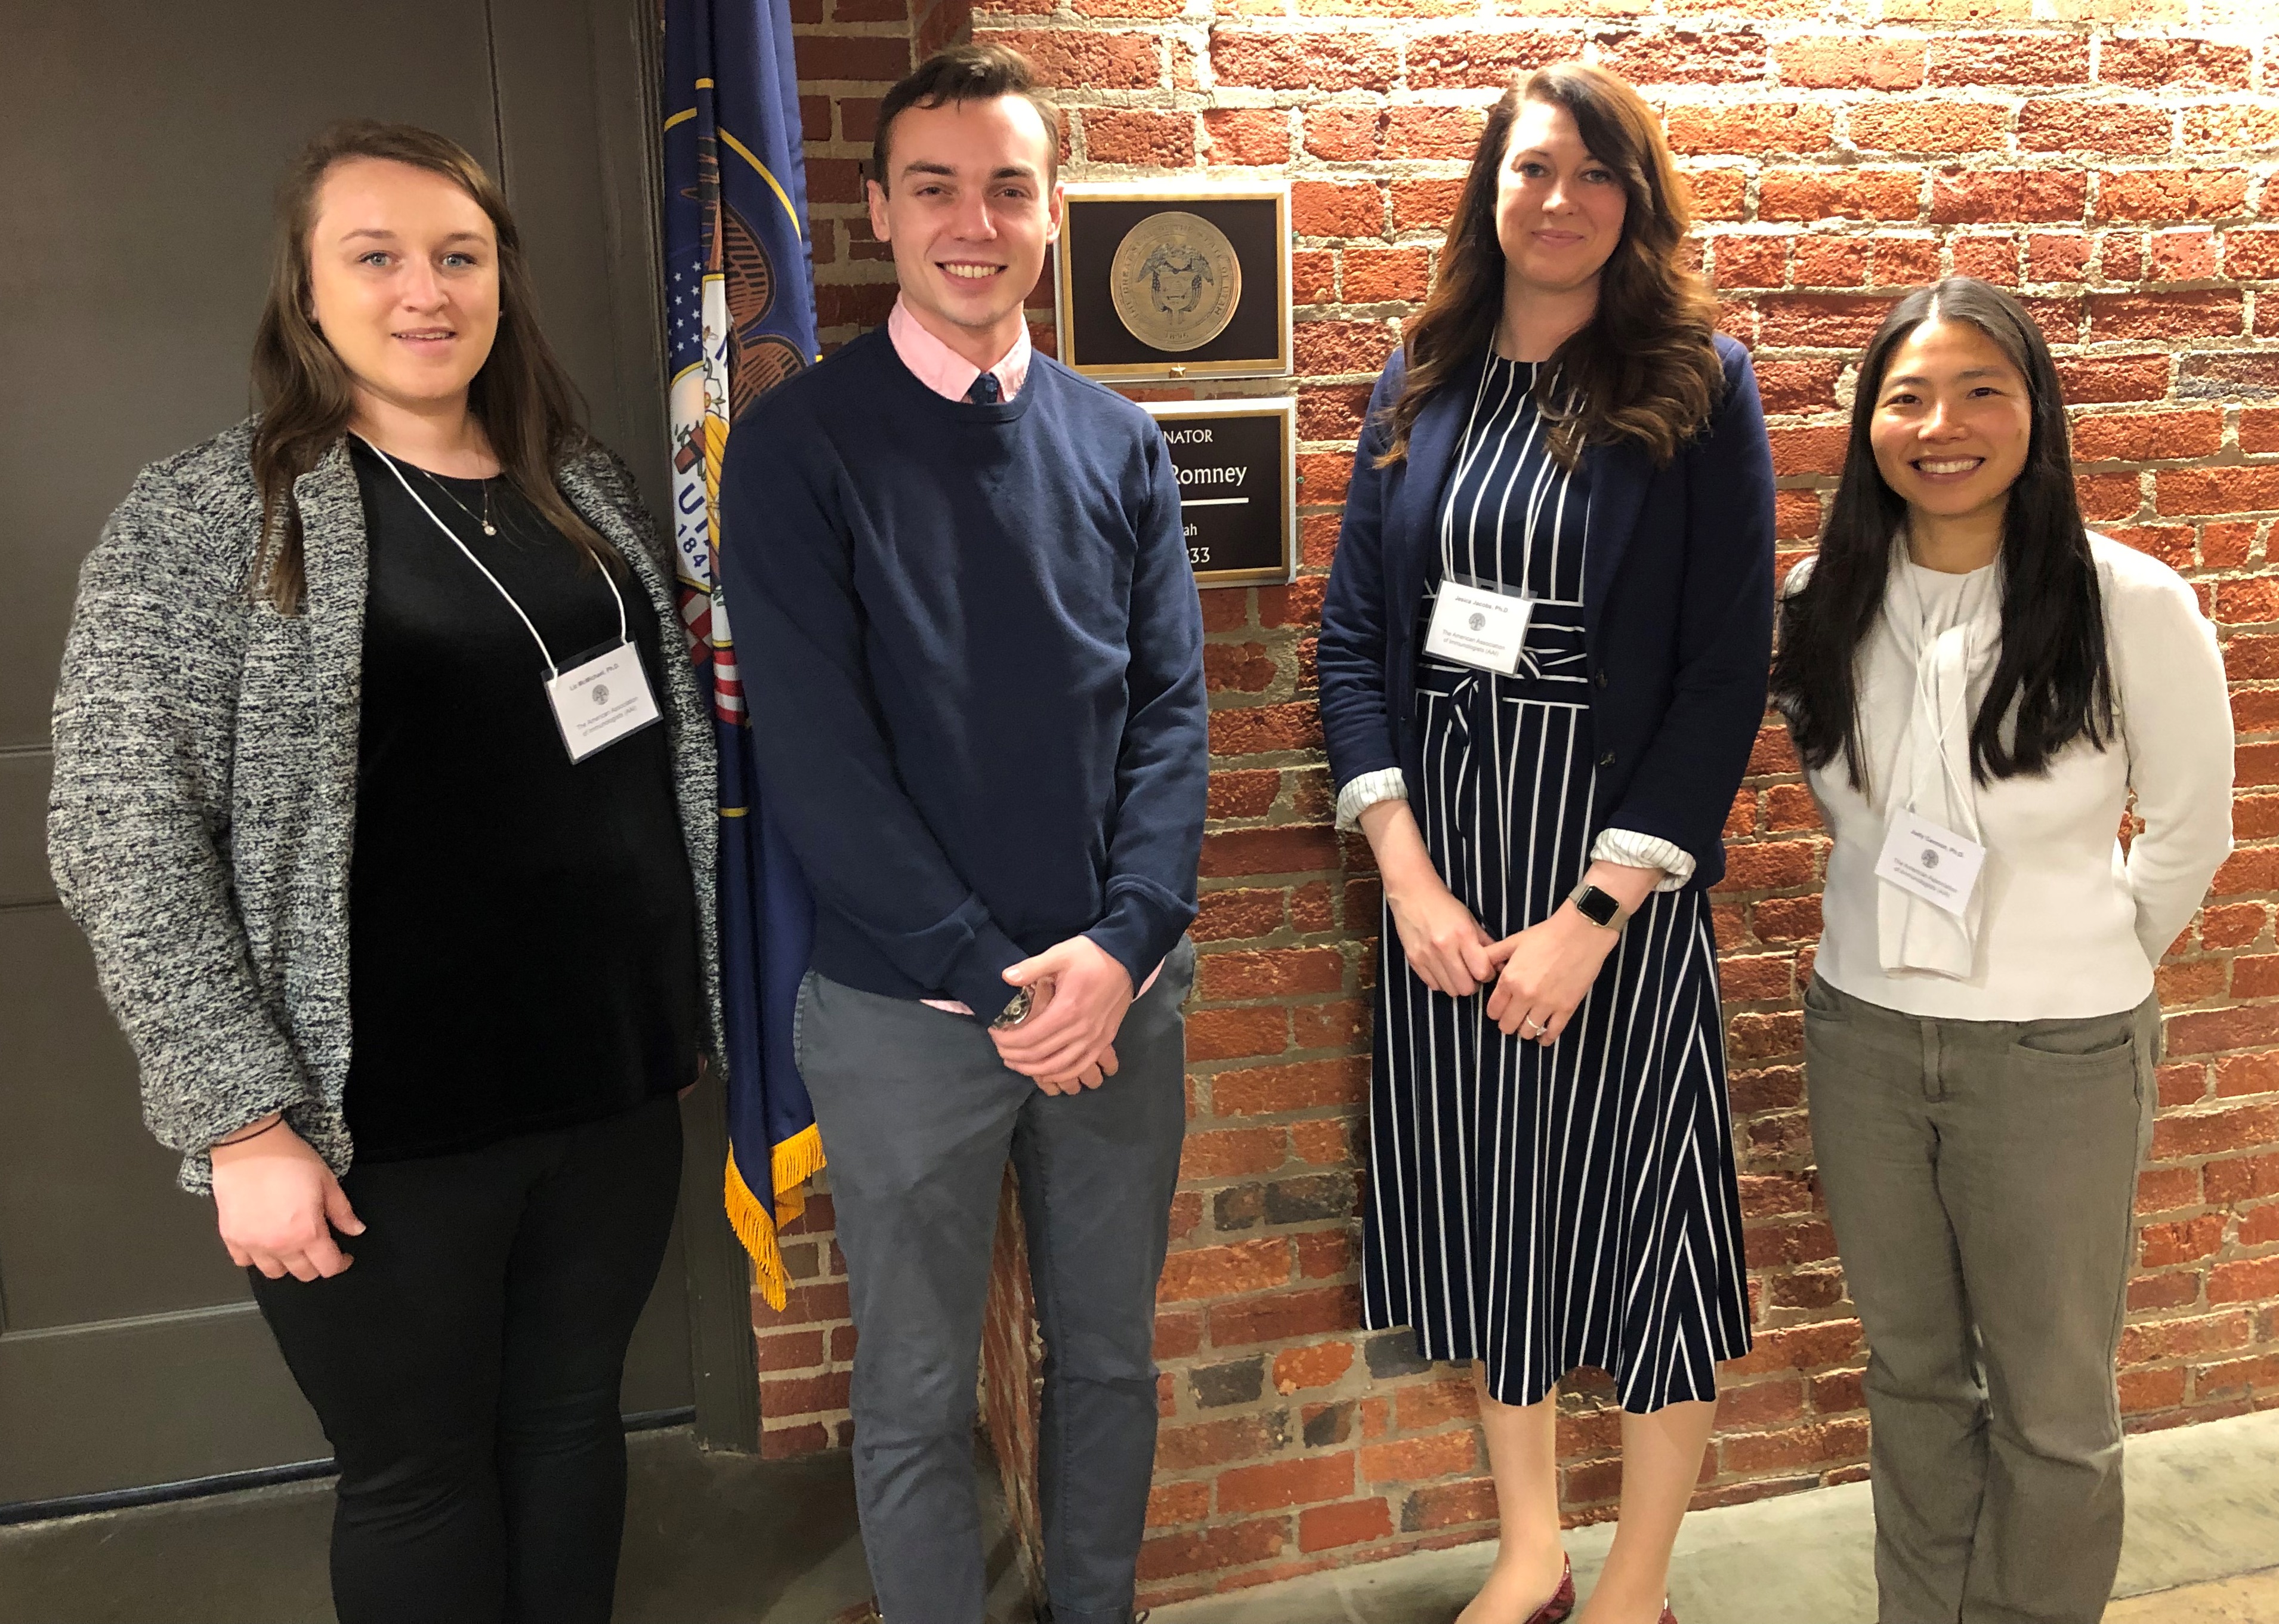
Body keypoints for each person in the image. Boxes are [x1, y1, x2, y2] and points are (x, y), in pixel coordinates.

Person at [48, 121, 720, 1624]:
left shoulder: (582, 486)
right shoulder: (213, 513)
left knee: (571, 1428)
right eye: (376, 256)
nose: (426, 290)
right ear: (306, 289)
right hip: (376, 1129)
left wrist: (678, 1004)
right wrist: (239, 1118)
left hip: (609, 1092)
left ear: (501, 281)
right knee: (418, 1474)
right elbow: (118, 825)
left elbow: (648, 762)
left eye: (458, 255)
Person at [719, 43, 1208, 1624]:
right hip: (903, 1013)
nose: (971, 223)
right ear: (878, 209)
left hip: (1117, 1003)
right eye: (933, 188)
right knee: (917, 1392)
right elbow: (818, 760)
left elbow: (1169, 718)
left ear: (1052, 211)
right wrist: (1000, 980)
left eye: (1007, 188)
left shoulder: (1118, 441)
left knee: (1108, 1358)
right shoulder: (798, 445)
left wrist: (1121, 946)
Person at [1317, 62, 1775, 1624]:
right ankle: (1531, 1549)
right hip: (1447, 887)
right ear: (1489, 191)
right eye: (1531, 168)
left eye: (1593, 173)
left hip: (1610, 887)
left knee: (1648, 1236)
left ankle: (1634, 1583)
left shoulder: (1697, 385)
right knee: (1486, 1211)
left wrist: (1593, 912)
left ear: (1631, 202)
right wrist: (1406, 882)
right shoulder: (1421, 375)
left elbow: (1721, 671)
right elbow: (1352, 642)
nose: (1559, 199)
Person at [1771, 277, 2233, 1624]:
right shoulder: (1818, 596)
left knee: (2051, 1404)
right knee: (1911, 1377)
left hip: (2057, 1054)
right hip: (1860, 1037)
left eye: (1981, 390)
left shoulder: (2125, 599)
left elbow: (2191, 829)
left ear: (2036, 411)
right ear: (1869, 422)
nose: (1943, 426)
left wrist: (2079, 955)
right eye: (1908, 397)